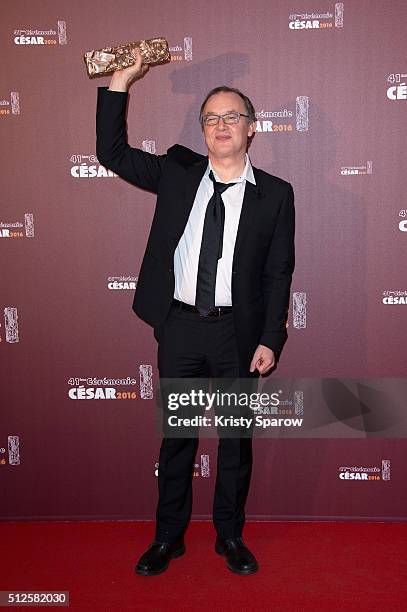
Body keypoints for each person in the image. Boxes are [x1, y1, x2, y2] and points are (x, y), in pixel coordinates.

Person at [96, 49, 295, 576]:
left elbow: (279, 274)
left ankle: (229, 536)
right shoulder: (178, 171)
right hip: (180, 327)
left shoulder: (275, 195)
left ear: (251, 128)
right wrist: (121, 80)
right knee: (177, 438)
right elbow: (111, 152)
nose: (221, 125)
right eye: (211, 118)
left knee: (234, 442)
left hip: (238, 334)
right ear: (203, 130)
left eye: (232, 117)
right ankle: (168, 538)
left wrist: (270, 339)